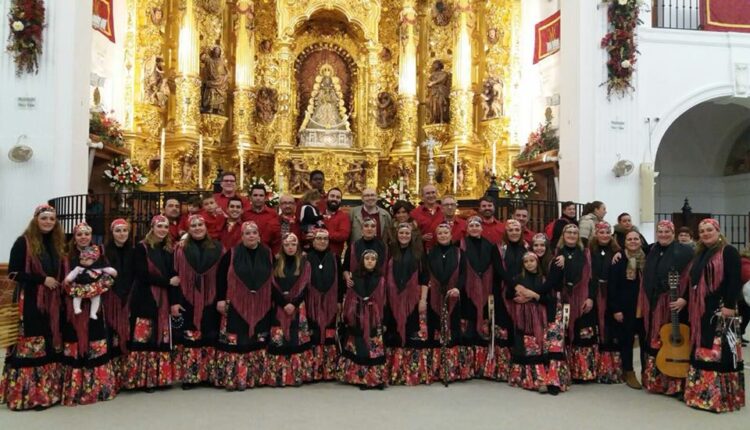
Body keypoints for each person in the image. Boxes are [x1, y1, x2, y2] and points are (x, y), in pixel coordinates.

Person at [0, 204, 66, 410]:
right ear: (35, 220)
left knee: (49, 342)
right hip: (30, 301)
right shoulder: (23, 242)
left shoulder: (57, 244)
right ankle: (31, 396)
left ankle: (48, 393)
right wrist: (42, 280)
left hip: (53, 303)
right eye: (44, 218)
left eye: (51, 219)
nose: (48, 222)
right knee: (33, 343)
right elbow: (13, 273)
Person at [684, 219, 745, 413]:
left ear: (718, 231)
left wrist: (729, 305)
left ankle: (719, 398)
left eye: (709, 229)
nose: (705, 233)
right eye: (702, 231)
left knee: (719, 352)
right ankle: (700, 395)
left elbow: (735, 280)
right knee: (702, 348)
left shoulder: (728, 251)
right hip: (701, 310)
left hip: (720, 308)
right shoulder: (700, 253)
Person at [60, 222, 119, 405]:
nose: (83, 237)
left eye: (86, 234)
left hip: (96, 306)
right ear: (74, 237)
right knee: (75, 339)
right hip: (74, 308)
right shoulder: (67, 257)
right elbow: (64, 280)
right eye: (79, 234)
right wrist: (75, 291)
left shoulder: (100, 254)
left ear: (91, 235)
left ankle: (97, 389)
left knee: (95, 338)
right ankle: (75, 390)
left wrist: (94, 289)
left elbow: (109, 276)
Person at [122, 215, 179, 392]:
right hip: (145, 297)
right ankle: (143, 380)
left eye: (166, 227)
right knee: (144, 337)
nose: (163, 230)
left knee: (158, 337)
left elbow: (174, 273)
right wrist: (167, 282)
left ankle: (158, 379)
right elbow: (142, 275)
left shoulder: (169, 249)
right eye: (159, 226)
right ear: (152, 228)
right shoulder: (141, 248)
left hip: (163, 300)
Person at [214, 221, 273, 391]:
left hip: (261, 304)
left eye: (254, 232)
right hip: (236, 304)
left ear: (259, 236)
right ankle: (235, 378)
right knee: (237, 339)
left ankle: (256, 377)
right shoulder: (231, 254)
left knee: (257, 339)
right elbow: (220, 277)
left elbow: (274, 278)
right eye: (247, 233)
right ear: (242, 236)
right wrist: (220, 299)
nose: (251, 236)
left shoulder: (268, 254)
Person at [640, 220, 693, 396]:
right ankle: (656, 382)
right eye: (660, 231)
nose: (663, 234)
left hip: (673, 303)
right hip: (653, 302)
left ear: (673, 233)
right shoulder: (652, 249)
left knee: (670, 336)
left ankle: (674, 384)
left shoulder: (685, 251)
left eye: (667, 231)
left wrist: (684, 298)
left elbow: (692, 278)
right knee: (654, 337)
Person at [172, 214, 225, 389]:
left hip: (211, 297)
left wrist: (221, 298)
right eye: (193, 225)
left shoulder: (218, 248)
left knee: (210, 334)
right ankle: (190, 376)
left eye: (200, 225)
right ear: (189, 229)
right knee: (190, 335)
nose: (197, 228)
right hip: (187, 297)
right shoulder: (180, 249)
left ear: (206, 227)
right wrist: (175, 301)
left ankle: (209, 375)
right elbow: (175, 275)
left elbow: (223, 276)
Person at [507, 252, 562, 394]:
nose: (529, 264)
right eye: (526, 262)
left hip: (541, 318)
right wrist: (519, 296)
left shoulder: (544, 280)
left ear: (537, 262)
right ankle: (535, 380)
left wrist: (534, 296)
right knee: (529, 348)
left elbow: (550, 300)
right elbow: (509, 294)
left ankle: (545, 378)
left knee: (541, 347)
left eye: (532, 260)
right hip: (524, 319)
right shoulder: (518, 279)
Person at [384, 223, 431, 385]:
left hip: (413, 301)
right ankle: (393, 373)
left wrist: (423, 299)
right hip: (392, 300)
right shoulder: (389, 252)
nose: (404, 235)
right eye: (401, 232)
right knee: (393, 335)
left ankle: (411, 373)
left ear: (412, 236)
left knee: (412, 334)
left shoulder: (419, 253)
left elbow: (424, 278)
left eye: (407, 233)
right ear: (397, 234)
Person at [462, 217, 508, 380]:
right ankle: (468, 367)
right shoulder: (460, 245)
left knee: (484, 327)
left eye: (477, 225)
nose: (474, 228)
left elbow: (497, 268)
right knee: (468, 327)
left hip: (487, 291)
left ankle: (482, 367)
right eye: (471, 225)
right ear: (467, 229)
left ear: (482, 228)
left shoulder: (491, 246)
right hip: (467, 292)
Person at [265, 233, 314, 386]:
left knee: (296, 339)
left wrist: (294, 303)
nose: (290, 247)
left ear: (297, 246)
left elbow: (305, 286)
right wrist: (283, 303)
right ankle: (279, 376)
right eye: (287, 245)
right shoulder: (275, 262)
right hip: (279, 306)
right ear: (282, 246)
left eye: (293, 244)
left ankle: (297, 376)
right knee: (279, 340)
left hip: (298, 307)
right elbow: (272, 285)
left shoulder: (305, 263)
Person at [552, 224, 597, 382]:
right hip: (563, 300)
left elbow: (592, 278)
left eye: (574, 233)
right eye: (568, 232)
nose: (571, 235)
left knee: (582, 335)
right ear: (563, 235)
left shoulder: (586, 253)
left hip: (583, 299)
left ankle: (583, 372)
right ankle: (566, 371)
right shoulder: (556, 252)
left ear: (578, 236)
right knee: (564, 335)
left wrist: (590, 298)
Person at [338, 249, 388, 389]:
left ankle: (376, 378)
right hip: (357, 317)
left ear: (377, 262)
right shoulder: (354, 278)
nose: (370, 261)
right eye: (367, 259)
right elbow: (349, 298)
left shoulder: (381, 279)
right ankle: (362, 378)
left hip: (374, 318)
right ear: (362, 261)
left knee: (374, 348)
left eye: (373, 259)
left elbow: (384, 300)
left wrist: (383, 319)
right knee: (360, 347)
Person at [426, 223, 469, 383]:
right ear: (436, 236)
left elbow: (463, 274)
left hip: (453, 296)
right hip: (434, 296)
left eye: (446, 233)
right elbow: (426, 272)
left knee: (454, 328)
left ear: (451, 235)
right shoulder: (430, 253)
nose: (443, 235)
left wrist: (457, 287)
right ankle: (436, 370)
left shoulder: (459, 253)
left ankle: (452, 371)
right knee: (435, 328)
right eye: (440, 233)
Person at [608, 231, 646, 389]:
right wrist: (616, 309)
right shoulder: (619, 259)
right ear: (624, 242)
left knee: (645, 341)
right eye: (629, 239)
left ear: (640, 241)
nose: (633, 241)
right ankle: (629, 372)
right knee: (627, 340)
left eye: (636, 239)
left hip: (645, 307)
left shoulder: (647, 257)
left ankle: (646, 373)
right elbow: (612, 286)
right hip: (626, 307)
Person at [588, 221, 622, 384]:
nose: (604, 235)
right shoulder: (589, 251)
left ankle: (611, 370)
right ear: (596, 234)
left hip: (611, 293)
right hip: (594, 293)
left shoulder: (617, 251)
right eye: (601, 232)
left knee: (610, 329)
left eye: (607, 232)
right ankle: (595, 369)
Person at [306, 229, 341, 381]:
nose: (322, 241)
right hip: (311, 301)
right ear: (313, 241)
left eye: (325, 239)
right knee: (313, 333)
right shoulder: (306, 258)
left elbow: (340, 281)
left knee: (329, 334)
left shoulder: (334, 257)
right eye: (319, 239)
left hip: (330, 301)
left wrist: (339, 301)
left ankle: (329, 371)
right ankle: (313, 371)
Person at [103, 219, 135, 370]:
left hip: (128, 297)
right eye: (118, 231)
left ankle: (125, 370)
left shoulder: (133, 251)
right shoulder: (104, 251)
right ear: (112, 233)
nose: (122, 234)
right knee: (110, 332)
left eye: (124, 231)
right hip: (110, 297)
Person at [63, 245, 115, 319]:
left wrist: (113, 272)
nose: (84, 261)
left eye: (87, 259)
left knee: (96, 298)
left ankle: (93, 313)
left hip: (94, 286)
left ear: (94, 260)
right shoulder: (78, 268)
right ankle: (77, 308)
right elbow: (72, 274)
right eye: (82, 259)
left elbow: (107, 269)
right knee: (77, 296)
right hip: (81, 286)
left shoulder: (98, 267)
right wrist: (68, 279)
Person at [343, 218, 387, 287]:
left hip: (377, 286)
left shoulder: (383, 247)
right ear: (361, 229)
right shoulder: (353, 247)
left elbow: (386, 269)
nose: (369, 228)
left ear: (376, 230)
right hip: (357, 285)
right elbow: (345, 268)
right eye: (366, 226)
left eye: (373, 226)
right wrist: (347, 278)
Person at [244, 184, 281, 252]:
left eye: (261, 195)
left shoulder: (273, 214)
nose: (258, 198)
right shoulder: (244, 213)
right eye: (255, 195)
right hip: (246, 251)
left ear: (265, 198)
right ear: (250, 197)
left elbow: (277, 237)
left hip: (267, 252)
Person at [410, 184, 443, 250]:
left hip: (442, 249)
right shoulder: (414, 213)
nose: (431, 195)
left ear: (437, 194)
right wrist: (421, 238)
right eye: (428, 193)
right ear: (422, 197)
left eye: (433, 192)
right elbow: (410, 234)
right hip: (422, 250)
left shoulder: (444, 210)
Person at [320, 187, 351, 260]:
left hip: (334, 258)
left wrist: (326, 233)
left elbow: (343, 235)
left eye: (338, 197)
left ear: (340, 201)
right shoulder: (318, 213)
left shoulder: (344, 217)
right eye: (332, 196)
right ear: (327, 198)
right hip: (315, 256)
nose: (335, 199)